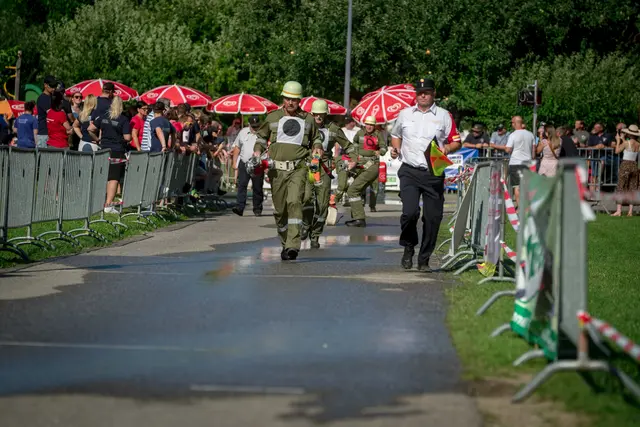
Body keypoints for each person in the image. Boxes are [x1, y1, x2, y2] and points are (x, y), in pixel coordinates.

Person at [390, 78, 461, 271]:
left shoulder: (444, 115)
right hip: (410, 171)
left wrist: (447, 148)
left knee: (432, 218)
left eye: (427, 92)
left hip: (433, 172)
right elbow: (395, 135)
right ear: (416, 94)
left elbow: (456, 141)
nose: (423, 95)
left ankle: (424, 260)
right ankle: (408, 246)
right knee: (409, 213)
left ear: (433, 94)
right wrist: (396, 149)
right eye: (420, 92)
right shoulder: (405, 114)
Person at [253, 81, 321, 261]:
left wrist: (317, 147)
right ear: (283, 98)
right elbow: (261, 138)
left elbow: (316, 138)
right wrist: (257, 151)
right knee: (280, 211)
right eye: (287, 99)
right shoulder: (272, 117)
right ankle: (285, 241)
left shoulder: (308, 119)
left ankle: (293, 245)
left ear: (300, 100)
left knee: (294, 202)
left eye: (294, 100)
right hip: (277, 170)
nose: (290, 102)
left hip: (298, 168)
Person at [300, 100, 350, 247]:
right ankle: (305, 224)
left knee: (322, 204)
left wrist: (352, 159)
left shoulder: (333, 129)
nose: (318, 117)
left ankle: (315, 235)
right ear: (312, 114)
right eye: (316, 114)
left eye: (321, 114)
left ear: (326, 114)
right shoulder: (305, 126)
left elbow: (348, 145)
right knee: (306, 198)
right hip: (308, 166)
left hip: (325, 169)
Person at [88, 96, 131, 214]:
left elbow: (90, 129)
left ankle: (97, 202)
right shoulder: (123, 119)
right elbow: (127, 137)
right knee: (113, 178)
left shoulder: (103, 116)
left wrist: (97, 139)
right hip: (117, 150)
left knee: (103, 176)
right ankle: (108, 204)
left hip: (103, 149)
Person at [345, 116, 387, 227]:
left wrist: (380, 151)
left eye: (372, 125)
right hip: (359, 164)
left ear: (374, 126)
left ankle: (360, 217)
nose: (369, 127)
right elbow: (354, 144)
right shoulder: (359, 133)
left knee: (354, 190)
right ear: (364, 124)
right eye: (368, 124)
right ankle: (356, 217)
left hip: (372, 164)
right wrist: (354, 155)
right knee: (356, 190)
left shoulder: (378, 134)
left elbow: (384, 147)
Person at [232, 115, 264, 217]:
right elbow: (237, 147)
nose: (255, 128)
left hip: (258, 164)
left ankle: (257, 208)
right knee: (242, 185)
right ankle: (239, 207)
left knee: (257, 187)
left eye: (256, 126)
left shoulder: (263, 133)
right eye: (253, 126)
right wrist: (234, 162)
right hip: (244, 162)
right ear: (249, 125)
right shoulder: (243, 132)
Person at [505, 116, 535, 207]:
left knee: (517, 187)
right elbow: (534, 152)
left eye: (512, 123)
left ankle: (521, 208)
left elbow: (508, 149)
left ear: (515, 123)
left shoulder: (513, 135)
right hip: (528, 163)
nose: (511, 124)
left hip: (516, 163)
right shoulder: (530, 134)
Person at [611, 125, 640, 217]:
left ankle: (618, 211)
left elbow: (617, 151)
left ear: (629, 134)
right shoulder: (638, 144)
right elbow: (629, 148)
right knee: (632, 188)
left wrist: (618, 141)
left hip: (625, 165)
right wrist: (623, 139)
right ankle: (630, 211)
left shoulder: (626, 143)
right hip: (634, 165)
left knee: (621, 187)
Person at [335, 114, 360, 206]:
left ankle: (350, 198)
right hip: (343, 157)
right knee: (343, 181)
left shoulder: (358, 130)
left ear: (353, 122)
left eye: (350, 122)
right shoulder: (342, 130)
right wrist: (336, 156)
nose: (348, 124)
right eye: (346, 122)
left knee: (352, 180)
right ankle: (338, 199)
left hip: (354, 157)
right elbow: (338, 144)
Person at [36, 75, 57, 148]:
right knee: (43, 155)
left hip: (50, 134)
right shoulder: (43, 98)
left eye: (55, 86)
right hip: (44, 134)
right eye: (52, 86)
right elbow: (52, 115)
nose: (54, 88)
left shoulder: (52, 98)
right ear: (45, 85)